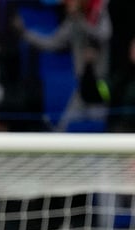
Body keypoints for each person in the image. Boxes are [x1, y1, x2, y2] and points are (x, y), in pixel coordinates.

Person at [14, 0, 112, 131]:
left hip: (102, 83)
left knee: (105, 121)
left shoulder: (99, 11)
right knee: (64, 127)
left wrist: (80, 20)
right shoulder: (73, 22)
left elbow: (104, 34)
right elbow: (53, 43)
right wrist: (25, 33)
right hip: (82, 84)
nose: (67, 4)